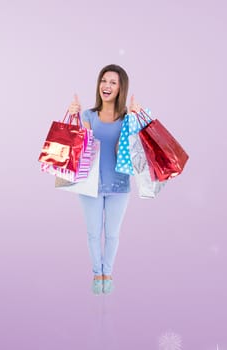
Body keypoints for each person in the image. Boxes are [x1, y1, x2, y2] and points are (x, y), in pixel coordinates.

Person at [67, 64, 142, 295]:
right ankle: (96, 274)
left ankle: (107, 274)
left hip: (119, 186)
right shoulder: (88, 115)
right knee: (92, 232)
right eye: (103, 81)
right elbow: (83, 147)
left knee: (112, 234)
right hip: (90, 186)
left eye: (113, 82)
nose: (106, 86)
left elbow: (126, 151)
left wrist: (133, 120)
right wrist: (75, 119)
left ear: (121, 88)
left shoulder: (125, 118)